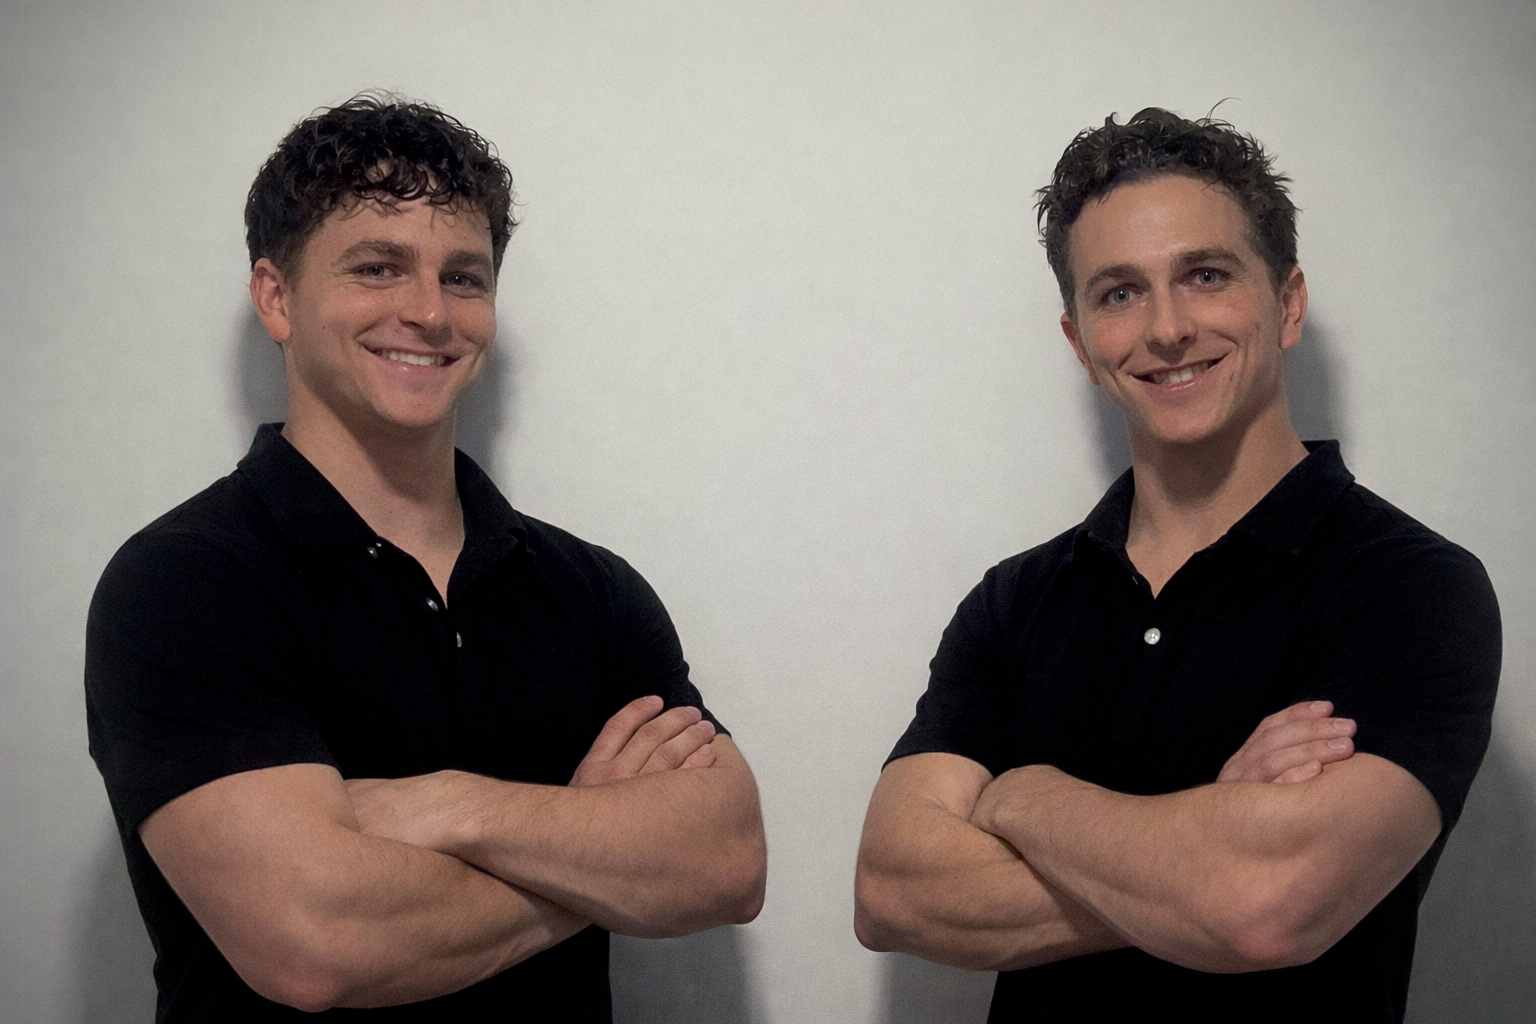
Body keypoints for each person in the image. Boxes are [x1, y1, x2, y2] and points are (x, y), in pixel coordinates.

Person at [85, 94, 766, 1022]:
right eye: (377, 267)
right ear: (276, 297)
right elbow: (318, 944)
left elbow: (725, 863)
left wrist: (449, 806)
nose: (429, 312)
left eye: (465, 278)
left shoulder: (589, 590)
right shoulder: (187, 583)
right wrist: (590, 848)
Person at [854, 108, 1500, 1022]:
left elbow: (1266, 907)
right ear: (1080, 343)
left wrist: (1023, 796)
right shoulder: (1017, 601)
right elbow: (890, 893)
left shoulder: (1410, 587)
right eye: (1118, 292)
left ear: (1287, 302)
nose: (1166, 328)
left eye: (1204, 275)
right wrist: (1204, 835)